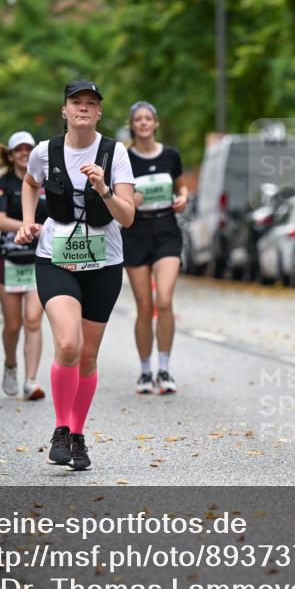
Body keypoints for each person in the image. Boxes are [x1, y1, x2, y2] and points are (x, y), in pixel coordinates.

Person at [15, 79, 135, 471]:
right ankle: (60, 430)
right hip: (56, 258)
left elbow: (128, 217)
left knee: (87, 355)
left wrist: (103, 188)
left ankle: (78, 436)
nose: (83, 108)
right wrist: (29, 221)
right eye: (76, 102)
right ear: (64, 110)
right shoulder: (44, 152)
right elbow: (30, 183)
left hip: (104, 263)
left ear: (99, 111)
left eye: (91, 103)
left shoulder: (115, 153)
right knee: (67, 343)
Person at [123, 101, 189, 394]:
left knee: (163, 301)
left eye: (148, 118)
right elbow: (115, 194)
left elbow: (182, 186)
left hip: (166, 231)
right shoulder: (124, 158)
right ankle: (145, 371)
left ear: (156, 123)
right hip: (136, 232)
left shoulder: (171, 155)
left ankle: (164, 369)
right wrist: (129, 201)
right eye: (138, 119)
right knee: (144, 306)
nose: (144, 123)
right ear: (132, 125)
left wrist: (183, 197)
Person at [0, 131, 49, 401]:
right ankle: (11, 364)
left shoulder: (47, 179)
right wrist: (28, 227)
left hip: (40, 258)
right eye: (19, 150)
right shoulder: (2, 184)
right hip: (7, 258)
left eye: (29, 148)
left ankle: (31, 381)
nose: (25, 153)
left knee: (33, 319)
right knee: (13, 324)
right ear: (11, 155)